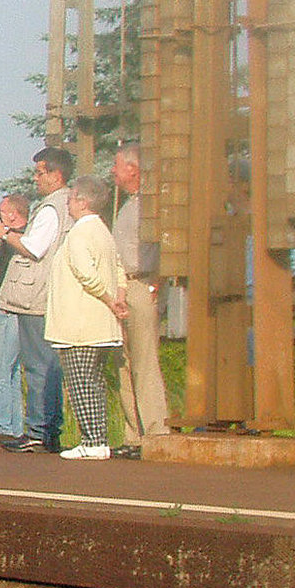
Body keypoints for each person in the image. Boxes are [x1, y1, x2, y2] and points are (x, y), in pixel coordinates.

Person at [0, 146, 72, 452]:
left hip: (35, 297)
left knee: (38, 366)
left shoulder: (50, 209)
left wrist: (5, 234)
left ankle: (39, 431)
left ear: (56, 175)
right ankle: (44, 428)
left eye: (40, 172)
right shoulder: (63, 204)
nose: (36, 178)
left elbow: (34, 247)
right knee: (41, 364)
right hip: (44, 295)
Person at [46, 175, 130, 460]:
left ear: (82, 202)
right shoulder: (103, 231)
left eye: (71, 198)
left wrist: (109, 299)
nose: (68, 203)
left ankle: (92, 440)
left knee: (82, 382)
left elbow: (86, 273)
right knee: (92, 381)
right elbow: (118, 268)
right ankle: (98, 439)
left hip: (80, 322)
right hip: (99, 322)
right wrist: (118, 297)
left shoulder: (80, 233)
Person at [110, 144, 169, 451]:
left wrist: (155, 282)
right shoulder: (129, 204)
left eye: (117, 165)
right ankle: (134, 435)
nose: (113, 171)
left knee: (145, 362)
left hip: (141, 283)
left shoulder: (150, 204)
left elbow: (165, 243)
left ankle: (157, 433)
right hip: (123, 287)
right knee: (125, 363)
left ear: (133, 169)